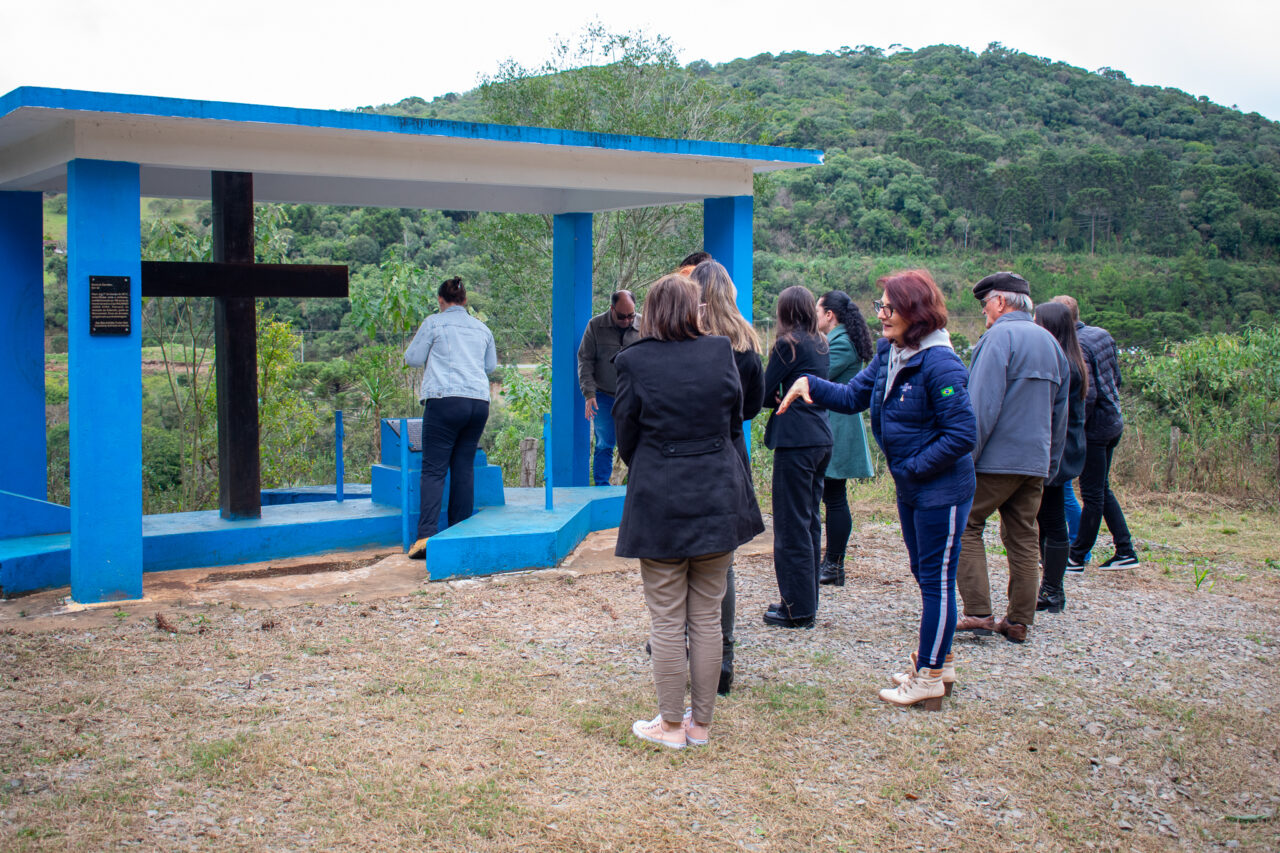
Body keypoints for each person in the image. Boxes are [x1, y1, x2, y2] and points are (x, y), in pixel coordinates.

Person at [778, 269, 975, 709]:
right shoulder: (891, 352)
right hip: (914, 486)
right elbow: (852, 396)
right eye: (880, 306)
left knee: (936, 581)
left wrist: (911, 468)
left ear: (915, 312)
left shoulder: (940, 362)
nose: (881, 315)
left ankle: (928, 676)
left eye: (889, 307)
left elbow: (962, 434)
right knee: (926, 576)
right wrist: (811, 384)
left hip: (941, 489)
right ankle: (939, 661)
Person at [614, 274, 764, 749]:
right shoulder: (721, 351)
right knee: (705, 616)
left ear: (652, 313)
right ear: (693, 310)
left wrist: (656, 460)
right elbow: (734, 418)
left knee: (666, 618)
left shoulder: (633, 361)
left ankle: (671, 726)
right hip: (718, 496)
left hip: (659, 497)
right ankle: (700, 726)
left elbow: (626, 437)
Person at [955, 272, 1068, 645]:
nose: (984, 310)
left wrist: (965, 457)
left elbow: (981, 404)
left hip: (995, 460)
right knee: (1023, 536)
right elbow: (1060, 412)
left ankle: (978, 611)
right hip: (1034, 461)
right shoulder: (1052, 345)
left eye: (985, 303)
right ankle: (1019, 620)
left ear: (1001, 302)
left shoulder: (998, 338)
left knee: (965, 523)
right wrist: (1050, 463)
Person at [690, 260, 765, 696]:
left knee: (681, 559)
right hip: (730, 452)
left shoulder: (689, 341)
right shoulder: (745, 342)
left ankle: (679, 645)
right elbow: (753, 407)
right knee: (724, 566)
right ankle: (724, 660)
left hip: (685, 454)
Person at [403, 276, 498, 559]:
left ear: (440, 301)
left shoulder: (434, 322)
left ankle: (426, 537)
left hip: (445, 400)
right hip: (478, 403)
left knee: (434, 470)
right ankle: (460, 533)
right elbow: (490, 366)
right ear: (465, 301)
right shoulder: (482, 328)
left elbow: (413, 358)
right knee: (463, 467)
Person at [761, 286, 832, 629]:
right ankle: (807, 600)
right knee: (810, 521)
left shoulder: (786, 345)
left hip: (795, 441)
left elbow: (762, 391)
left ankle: (796, 609)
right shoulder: (821, 343)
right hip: (820, 437)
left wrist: (774, 396)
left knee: (791, 525)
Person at [1052, 295, 1139, 570]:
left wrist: (1075, 431)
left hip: (1095, 429)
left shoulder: (1075, 346)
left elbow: (1084, 396)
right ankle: (1124, 549)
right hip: (1113, 418)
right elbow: (1116, 378)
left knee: (1092, 494)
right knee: (1101, 488)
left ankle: (1077, 555)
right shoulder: (1101, 335)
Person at [815, 290, 876, 586]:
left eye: (817, 310)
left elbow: (818, 374)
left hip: (838, 425)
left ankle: (834, 565)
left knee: (835, 496)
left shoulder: (841, 344)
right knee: (832, 496)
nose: (814, 315)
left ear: (830, 315)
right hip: (836, 423)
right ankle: (830, 563)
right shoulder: (841, 340)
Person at [1032, 301, 1088, 613]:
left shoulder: (1061, 363)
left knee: (1052, 517)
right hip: (1065, 447)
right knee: (1047, 516)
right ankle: (1051, 585)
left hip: (1059, 449)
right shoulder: (1071, 359)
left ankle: (1052, 589)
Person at [577, 290, 641, 486]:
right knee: (604, 443)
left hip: (634, 396)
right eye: (622, 316)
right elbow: (585, 360)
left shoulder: (645, 324)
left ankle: (637, 486)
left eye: (631, 316)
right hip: (604, 395)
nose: (627, 320)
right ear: (612, 309)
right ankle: (601, 487)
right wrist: (589, 393)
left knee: (638, 442)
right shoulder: (595, 326)